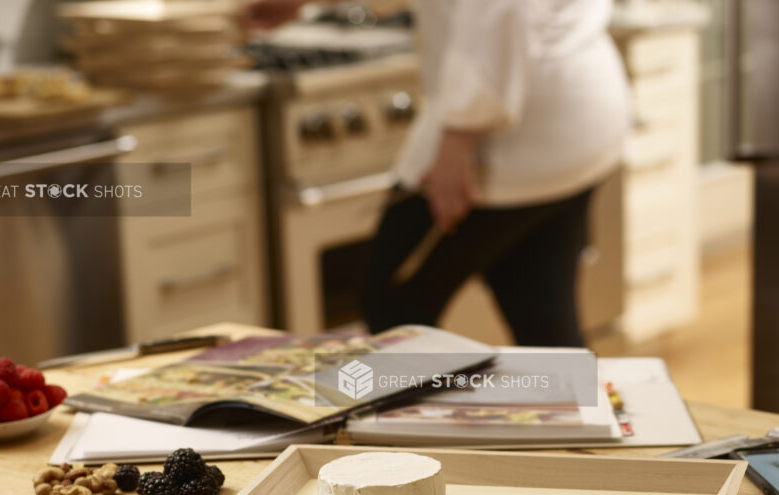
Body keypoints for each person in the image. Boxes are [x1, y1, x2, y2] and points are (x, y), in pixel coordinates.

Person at [245, 0, 629, 346]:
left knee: (394, 304)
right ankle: (579, 417)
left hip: (512, 137)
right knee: (542, 318)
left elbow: (500, 9)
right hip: (575, 119)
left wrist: (461, 134)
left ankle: (432, 422)